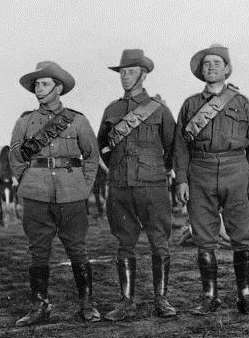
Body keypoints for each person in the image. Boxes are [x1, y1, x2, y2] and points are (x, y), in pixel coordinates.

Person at [173, 44, 249, 315]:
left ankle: (245, 296)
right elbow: (180, 146)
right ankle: (209, 296)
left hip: (236, 169)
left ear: (227, 69)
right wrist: (181, 180)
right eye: (206, 64)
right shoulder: (190, 105)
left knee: (242, 236)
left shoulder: (241, 102)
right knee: (203, 237)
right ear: (201, 71)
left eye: (216, 63)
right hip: (199, 170)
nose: (210, 67)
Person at [10, 61, 100, 326]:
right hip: (36, 194)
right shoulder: (25, 121)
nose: (39, 88)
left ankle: (87, 304)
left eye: (45, 83)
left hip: (71, 194)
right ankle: (40, 307)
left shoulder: (77, 120)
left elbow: (91, 156)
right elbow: (16, 158)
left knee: (78, 249)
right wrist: (27, 180)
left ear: (58, 88)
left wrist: (83, 187)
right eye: (37, 84)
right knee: (38, 251)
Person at [98, 49, 177, 320]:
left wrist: (155, 171)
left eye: (130, 71)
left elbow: (173, 148)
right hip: (120, 186)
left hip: (152, 186)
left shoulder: (160, 110)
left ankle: (162, 300)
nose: (125, 77)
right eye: (122, 72)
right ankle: (126, 302)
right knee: (124, 243)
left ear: (143, 74)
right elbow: (103, 147)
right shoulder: (112, 110)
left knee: (159, 243)